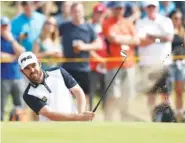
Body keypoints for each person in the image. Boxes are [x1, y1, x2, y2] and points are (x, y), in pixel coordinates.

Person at [18, 52, 95, 121]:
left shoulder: (59, 71)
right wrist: (79, 117)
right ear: (22, 71)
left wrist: (81, 113)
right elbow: (50, 114)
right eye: (27, 68)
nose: (32, 70)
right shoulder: (28, 94)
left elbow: (78, 91)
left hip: (73, 125)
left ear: (39, 63)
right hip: (52, 132)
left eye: (33, 65)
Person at [59, 2, 102, 110]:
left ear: (83, 12)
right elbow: (52, 37)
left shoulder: (89, 27)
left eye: (79, 11)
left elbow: (99, 44)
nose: (77, 13)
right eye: (74, 11)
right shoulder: (64, 26)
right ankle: (68, 116)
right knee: (65, 94)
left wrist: (84, 47)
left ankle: (83, 117)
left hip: (84, 68)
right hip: (67, 67)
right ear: (71, 12)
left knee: (85, 95)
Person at [136, 1, 174, 119]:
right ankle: (152, 117)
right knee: (151, 93)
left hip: (164, 63)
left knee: (166, 93)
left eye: (153, 6)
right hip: (147, 64)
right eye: (149, 7)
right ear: (145, 9)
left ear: (157, 8)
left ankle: (168, 117)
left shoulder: (166, 21)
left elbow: (169, 37)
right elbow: (140, 41)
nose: (151, 9)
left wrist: (152, 38)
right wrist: (158, 38)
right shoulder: (140, 22)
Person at [102, 1, 140, 121]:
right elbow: (112, 38)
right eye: (117, 8)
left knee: (127, 95)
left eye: (121, 8)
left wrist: (122, 38)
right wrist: (128, 38)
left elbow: (137, 40)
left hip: (129, 64)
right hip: (113, 65)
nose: (119, 10)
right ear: (112, 9)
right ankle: (108, 118)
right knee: (113, 94)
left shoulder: (128, 23)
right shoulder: (107, 23)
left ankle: (124, 118)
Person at [1, 16, 25, 120]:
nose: (5, 28)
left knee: (19, 104)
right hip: (3, 77)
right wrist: (15, 57)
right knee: (1, 104)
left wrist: (11, 40)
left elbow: (22, 53)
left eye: (6, 26)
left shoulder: (14, 38)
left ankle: (17, 121)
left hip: (17, 76)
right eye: (2, 26)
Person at [89, 3, 107, 111]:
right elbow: (89, 47)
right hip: (93, 65)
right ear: (94, 14)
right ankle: (89, 115)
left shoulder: (106, 26)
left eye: (101, 13)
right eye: (97, 13)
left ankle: (106, 117)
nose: (99, 15)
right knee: (91, 92)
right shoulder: (90, 26)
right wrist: (98, 59)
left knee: (106, 93)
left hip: (106, 65)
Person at [169, 9, 185, 122]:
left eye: (180, 18)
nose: (178, 20)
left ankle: (180, 112)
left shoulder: (182, 32)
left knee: (179, 90)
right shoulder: (168, 31)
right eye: (175, 18)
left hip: (181, 62)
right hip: (170, 63)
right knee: (168, 90)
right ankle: (169, 112)